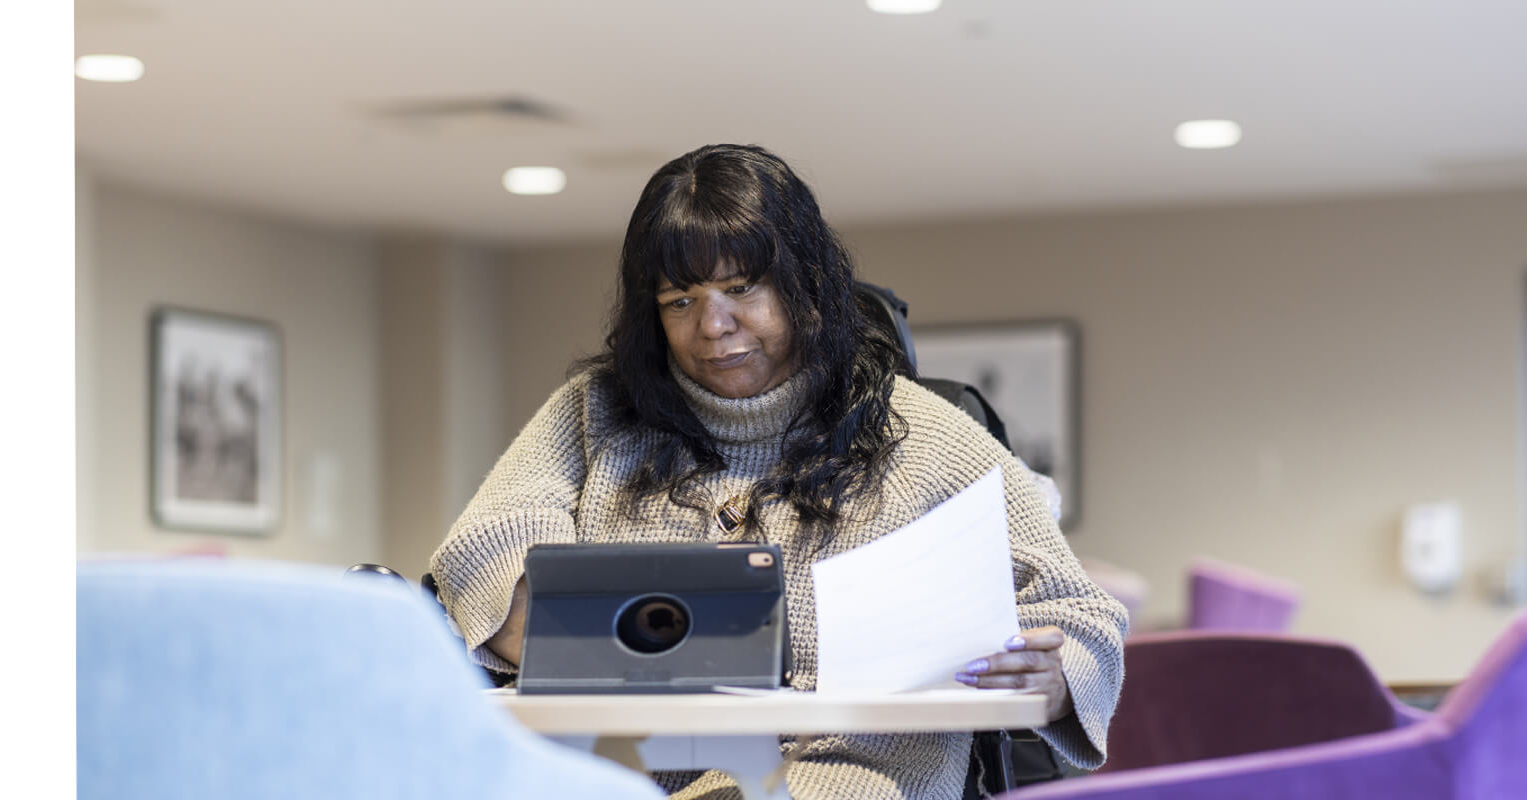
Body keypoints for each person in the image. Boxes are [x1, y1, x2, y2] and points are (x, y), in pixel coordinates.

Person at [429, 144, 1127, 799]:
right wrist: (568, 634)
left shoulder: (924, 433)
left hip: (855, 780)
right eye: (680, 300)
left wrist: (1054, 672)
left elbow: (1080, 614)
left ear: (805, 288)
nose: (713, 326)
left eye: (742, 289)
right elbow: (487, 544)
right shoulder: (597, 414)